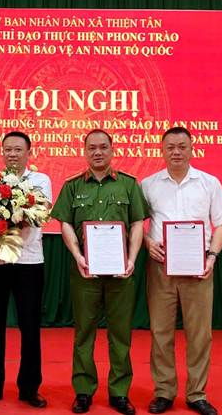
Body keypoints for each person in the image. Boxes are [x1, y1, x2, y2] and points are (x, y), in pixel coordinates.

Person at [50, 129, 148, 415]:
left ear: (112, 150)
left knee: (120, 335)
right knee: (84, 333)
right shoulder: (72, 186)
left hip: (121, 273)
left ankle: (119, 393)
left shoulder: (129, 184)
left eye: (103, 147)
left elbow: (138, 223)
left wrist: (132, 259)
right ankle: (83, 391)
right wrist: (79, 257)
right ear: (84, 151)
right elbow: (65, 223)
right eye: (92, 147)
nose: (98, 152)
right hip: (85, 272)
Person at [141, 127, 222, 415]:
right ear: (162, 150)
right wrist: (147, 243)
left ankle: (197, 394)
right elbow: (136, 225)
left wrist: (212, 257)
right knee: (160, 332)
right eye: (170, 147)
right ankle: (164, 392)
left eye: (182, 146)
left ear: (192, 149)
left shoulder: (209, 183)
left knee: (200, 334)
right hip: (161, 268)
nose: (176, 152)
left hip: (199, 268)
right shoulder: (148, 184)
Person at [0, 131, 52, 409]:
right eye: (8, 149)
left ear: (29, 152)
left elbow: (38, 213)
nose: (12, 154)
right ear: (2, 152)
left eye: (18, 149)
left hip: (29, 261)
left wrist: (6, 212)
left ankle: (29, 388)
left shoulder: (40, 180)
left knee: (30, 327)